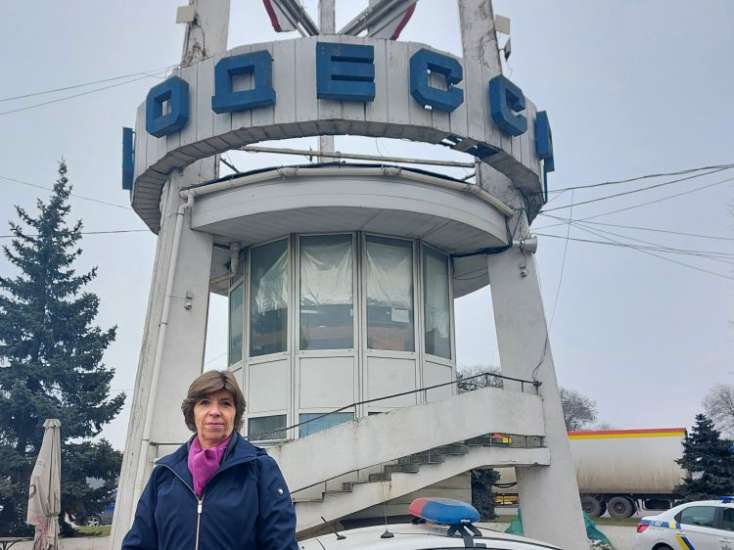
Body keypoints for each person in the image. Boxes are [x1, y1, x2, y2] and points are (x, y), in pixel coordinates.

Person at [122, 370, 298, 549]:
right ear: (192, 412)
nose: (215, 411)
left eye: (225, 403)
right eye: (205, 402)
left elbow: (281, 545)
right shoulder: (165, 474)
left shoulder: (260, 469)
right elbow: (138, 544)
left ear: (235, 414)